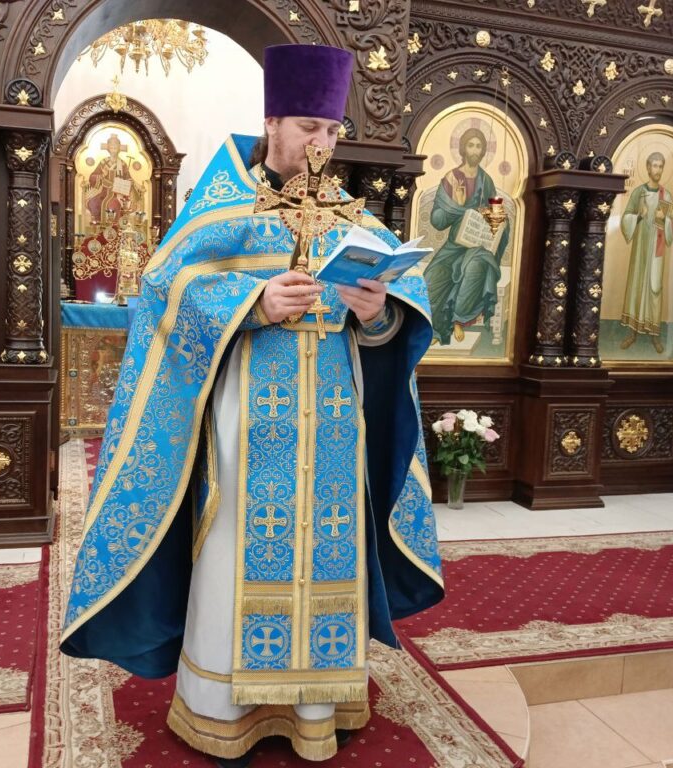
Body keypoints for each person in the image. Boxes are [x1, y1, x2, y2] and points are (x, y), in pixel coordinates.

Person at [62, 44, 443, 767]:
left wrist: (378, 314)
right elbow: (164, 292)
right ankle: (222, 708)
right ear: (272, 122)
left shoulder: (351, 220)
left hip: (334, 432)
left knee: (330, 551)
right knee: (237, 549)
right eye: (308, 128)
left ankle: (316, 707)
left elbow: (400, 315)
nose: (322, 145)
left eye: (332, 131)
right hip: (246, 422)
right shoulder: (225, 207)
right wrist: (253, 301)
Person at [423, 127, 510, 345]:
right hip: (455, 244)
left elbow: (495, 216)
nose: (474, 150)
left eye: (479, 146)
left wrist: (498, 219)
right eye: (470, 145)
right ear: (463, 148)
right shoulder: (451, 179)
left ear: (483, 151)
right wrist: (457, 205)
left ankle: (458, 320)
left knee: (474, 268)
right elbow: (437, 220)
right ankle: (434, 331)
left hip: (479, 247)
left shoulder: (486, 181)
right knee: (432, 277)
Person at [619, 151, 673, 354]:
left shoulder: (666, 196)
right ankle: (632, 333)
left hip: (656, 253)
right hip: (640, 250)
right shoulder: (638, 193)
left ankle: (655, 335)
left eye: (661, 166)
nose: (658, 170)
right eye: (655, 165)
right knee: (637, 285)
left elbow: (672, 227)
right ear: (648, 167)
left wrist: (664, 219)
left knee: (654, 288)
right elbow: (625, 218)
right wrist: (639, 216)